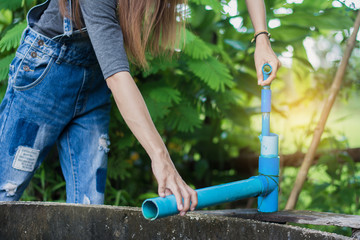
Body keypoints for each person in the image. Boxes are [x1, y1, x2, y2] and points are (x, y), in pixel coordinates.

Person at [0, 0, 280, 216]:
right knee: (5, 196)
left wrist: (262, 37)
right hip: (45, 74)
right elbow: (118, 78)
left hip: (95, 78)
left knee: (89, 211)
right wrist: (162, 159)